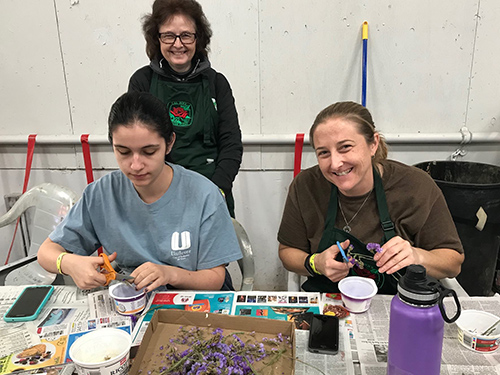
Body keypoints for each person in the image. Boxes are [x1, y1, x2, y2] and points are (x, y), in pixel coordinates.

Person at [37, 91, 242, 292]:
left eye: (149, 151)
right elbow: (46, 252)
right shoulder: (101, 194)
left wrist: (169, 274)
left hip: (192, 302)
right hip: (133, 302)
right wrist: (69, 263)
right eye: (123, 152)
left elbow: (214, 278)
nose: (136, 165)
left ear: (169, 143)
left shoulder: (203, 194)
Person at [277, 101, 464, 294]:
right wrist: (315, 263)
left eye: (345, 147)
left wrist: (417, 256)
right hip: (329, 304)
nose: (335, 163)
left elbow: (453, 263)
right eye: (323, 152)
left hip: (400, 305)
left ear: (373, 144)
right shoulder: (306, 186)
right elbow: (287, 252)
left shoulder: (416, 187)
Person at [128, 0, 242, 217]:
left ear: (198, 38)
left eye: (186, 35)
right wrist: (159, 190)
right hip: (158, 193)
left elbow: (231, 143)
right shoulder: (141, 82)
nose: (178, 44)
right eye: (169, 35)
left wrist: (217, 189)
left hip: (212, 189)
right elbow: (135, 142)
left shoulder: (217, 83)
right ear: (157, 38)